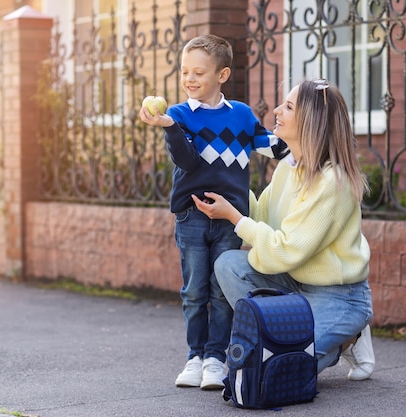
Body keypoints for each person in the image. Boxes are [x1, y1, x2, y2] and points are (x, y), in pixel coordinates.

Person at [191, 79, 376, 380]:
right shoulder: (289, 167)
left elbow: (285, 248)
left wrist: (236, 218)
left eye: (288, 107)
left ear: (311, 121)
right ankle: (276, 335)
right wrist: (227, 181)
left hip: (338, 295)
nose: (276, 110)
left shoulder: (331, 182)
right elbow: (263, 216)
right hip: (294, 279)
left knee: (279, 374)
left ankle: (349, 336)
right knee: (229, 265)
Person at [139, 34, 288, 390]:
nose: (190, 79)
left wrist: (308, 144)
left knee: (221, 290)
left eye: (199, 73)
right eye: (185, 71)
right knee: (194, 290)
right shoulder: (177, 114)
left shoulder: (240, 114)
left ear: (221, 75)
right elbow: (187, 162)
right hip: (190, 217)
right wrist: (170, 128)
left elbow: (271, 145)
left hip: (228, 217)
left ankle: (215, 358)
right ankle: (194, 356)